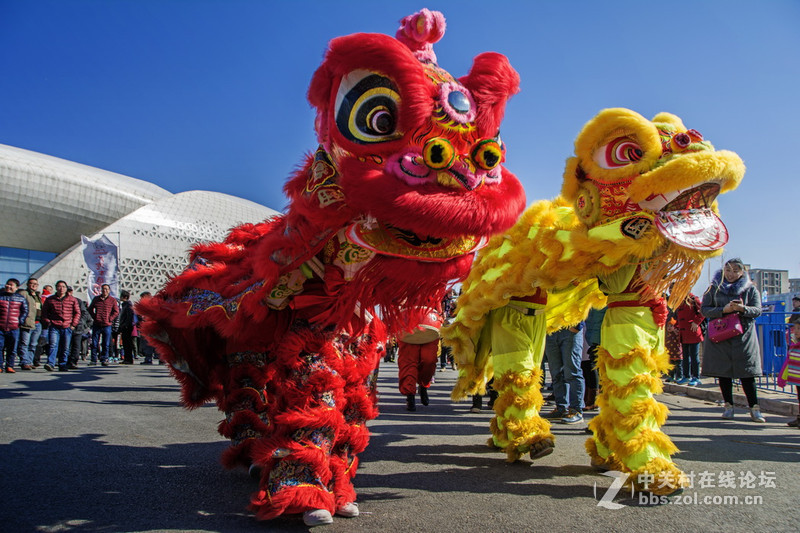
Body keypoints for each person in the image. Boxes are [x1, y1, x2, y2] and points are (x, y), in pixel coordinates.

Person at [701, 259, 765, 422]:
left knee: (747, 373)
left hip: (743, 337)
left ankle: (754, 408)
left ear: (742, 272)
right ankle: (728, 406)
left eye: (735, 271)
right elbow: (705, 310)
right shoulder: (713, 288)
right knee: (723, 372)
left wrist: (742, 308)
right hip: (720, 336)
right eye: (728, 270)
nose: (731, 274)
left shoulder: (750, 289)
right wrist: (724, 310)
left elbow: (757, 310)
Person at [397, 308, 442, 411]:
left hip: (430, 323)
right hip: (407, 323)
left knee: (429, 361)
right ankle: (410, 395)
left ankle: (423, 385)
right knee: (408, 363)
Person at [544, 322, 585, 424]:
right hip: (551, 330)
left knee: (572, 372)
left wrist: (577, 325)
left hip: (569, 328)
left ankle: (576, 410)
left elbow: (584, 305)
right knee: (556, 373)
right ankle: (561, 408)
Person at [41, 280, 81, 371]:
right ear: (56, 288)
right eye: (59, 286)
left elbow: (77, 313)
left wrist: (73, 324)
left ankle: (62, 364)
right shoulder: (50, 299)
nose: (61, 288)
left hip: (67, 326)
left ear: (66, 288)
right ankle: (50, 363)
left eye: (63, 286)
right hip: (54, 326)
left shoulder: (72, 299)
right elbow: (44, 312)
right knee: (53, 345)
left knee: (65, 347)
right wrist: (48, 322)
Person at [0, 278, 29, 373]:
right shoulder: (0, 296)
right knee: (0, 347)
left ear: (17, 287)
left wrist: (19, 321)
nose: (8, 286)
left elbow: (25, 311)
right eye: (7, 284)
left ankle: (10, 366)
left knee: (12, 348)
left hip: (14, 327)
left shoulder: (20, 298)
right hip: (1, 326)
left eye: (11, 285)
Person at [675, 292, 704, 385]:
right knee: (685, 356)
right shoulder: (679, 301)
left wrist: (696, 322)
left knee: (694, 356)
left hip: (693, 332)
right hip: (683, 334)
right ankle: (686, 376)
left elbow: (702, 312)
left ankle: (696, 377)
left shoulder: (693, 299)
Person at [88, 284, 119, 366]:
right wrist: (95, 317)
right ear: (101, 290)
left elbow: (116, 311)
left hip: (107, 325)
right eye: (103, 289)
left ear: (109, 290)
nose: (105, 291)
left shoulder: (112, 300)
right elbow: (90, 309)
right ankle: (93, 359)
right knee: (94, 343)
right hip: (97, 324)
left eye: (106, 289)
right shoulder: (96, 299)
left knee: (106, 343)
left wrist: (110, 319)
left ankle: (104, 358)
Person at [777, 316, 800, 428]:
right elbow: (788, 361)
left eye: (799, 329)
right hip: (796, 377)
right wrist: (783, 376)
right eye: (795, 328)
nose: (795, 331)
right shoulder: (794, 344)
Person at [16, 278, 42, 370]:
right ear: (28, 284)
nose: (34, 285)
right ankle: (24, 362)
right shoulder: (24, 294)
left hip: (38, 323)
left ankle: (30, 361)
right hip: (27, 322)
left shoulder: (38, 296)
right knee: (24, 343)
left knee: (33, 344)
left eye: (36, 284)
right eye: (31, 283)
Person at [67, 288, 93, 368]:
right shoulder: (61, 300)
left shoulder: (78, 301)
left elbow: (85, 313)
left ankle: (73, 361)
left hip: (77, 326)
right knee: (66, 345)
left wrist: (78, 322)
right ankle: (65, 360)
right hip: (66, 325)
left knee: (76, 344)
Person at [136, 292, 157, 364]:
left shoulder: (149, 305)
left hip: (149, 326)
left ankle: (148, 358)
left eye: (142, 297)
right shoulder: (154, 304)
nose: (141, 299)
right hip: (151, 326)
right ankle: (160, 359)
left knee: (148, 343)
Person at [118, 290, 136, 364]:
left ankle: (128, 359)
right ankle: (127, 358)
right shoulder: (125, 305)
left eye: (121, 296)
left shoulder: (128, 305)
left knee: (127, 343)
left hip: (127, 327)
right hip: (125, 326)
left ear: (125, 297)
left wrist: (126, 325)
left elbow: (129, 317)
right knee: (125, 343)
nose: (120, 297)